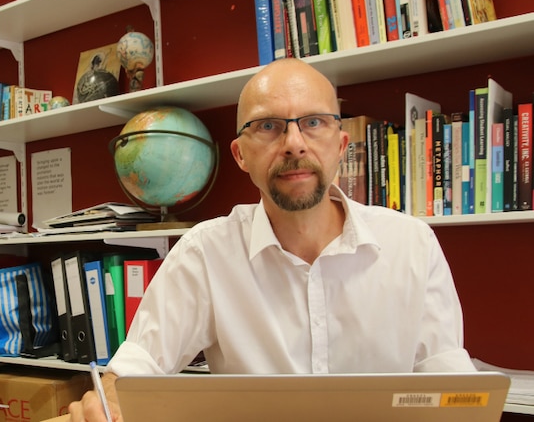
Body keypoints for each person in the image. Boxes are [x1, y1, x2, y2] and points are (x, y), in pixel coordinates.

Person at [68, 58, 476, 421]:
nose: (294, 143)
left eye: (314, 122)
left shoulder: (412, 245)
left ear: (341, 145)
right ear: (241, 155)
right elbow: (136, 371)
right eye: (268, 126)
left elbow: (451, 388)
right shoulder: (204, 253)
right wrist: (108, 403)